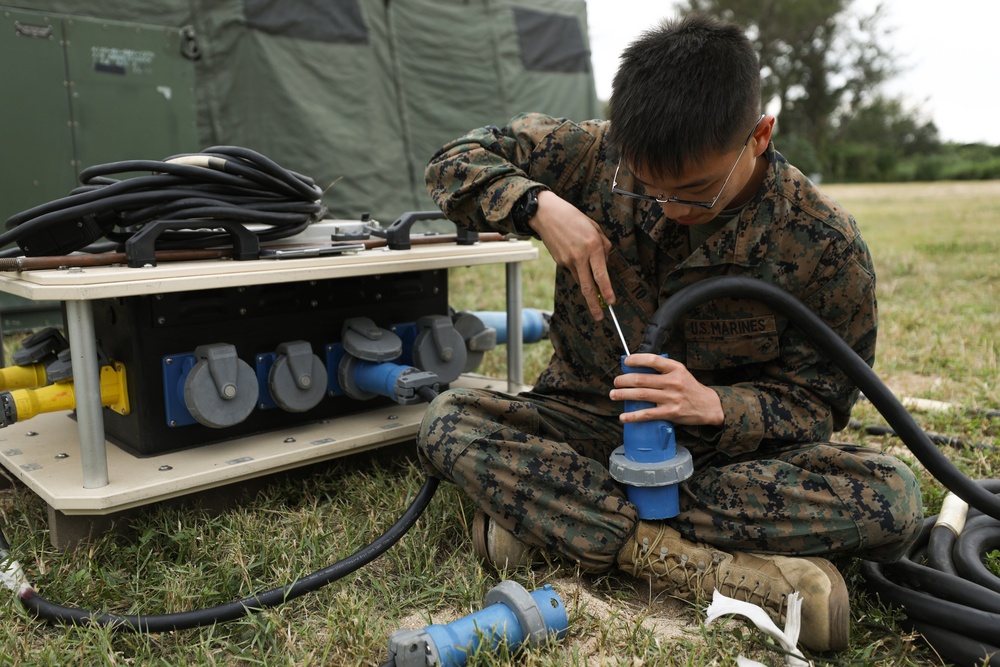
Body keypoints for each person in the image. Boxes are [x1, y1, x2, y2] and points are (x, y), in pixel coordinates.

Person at [416, 13, 922, 653]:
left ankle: (565, 522)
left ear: (760, 136)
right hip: (594, 425)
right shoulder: (594, 155)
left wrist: (715, 405)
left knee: (892, 498)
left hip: (726, 459)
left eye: (695, 193)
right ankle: (665, 554)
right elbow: (451, 161)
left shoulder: (824, 244)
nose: (669, 210)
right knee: (446, 419)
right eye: (646, 187)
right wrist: (539, 207)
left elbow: (819, 404)